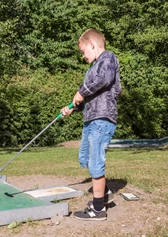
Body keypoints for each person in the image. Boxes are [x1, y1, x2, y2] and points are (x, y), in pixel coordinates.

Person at [61, 28, 121, 220]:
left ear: (92, 45)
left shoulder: (108, 58)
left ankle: (98, 210)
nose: (83, 56)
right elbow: (90, 98)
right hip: (92, 118)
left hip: (102, 119)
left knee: (96, 161)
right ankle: (103, 195)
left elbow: (103, 80)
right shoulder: (93, 68)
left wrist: (81, 91)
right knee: (86, 157)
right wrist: (74, 107)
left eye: (83, 51)